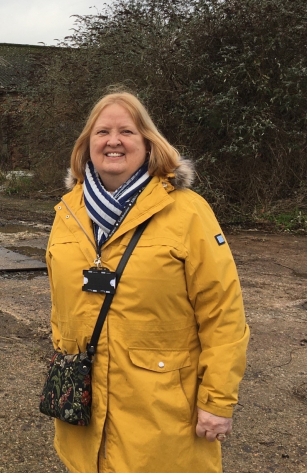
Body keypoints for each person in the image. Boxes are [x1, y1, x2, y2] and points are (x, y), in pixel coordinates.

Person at [46, 91, 249, 472]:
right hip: (83, 412)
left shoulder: (188, 212)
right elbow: (61, 305)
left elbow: (223, 314)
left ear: (148, 143)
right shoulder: (67, 211)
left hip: (162, 414)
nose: (113, 141)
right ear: (87, 144)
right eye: (102, 131)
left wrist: (217, 401)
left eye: (127, 131)